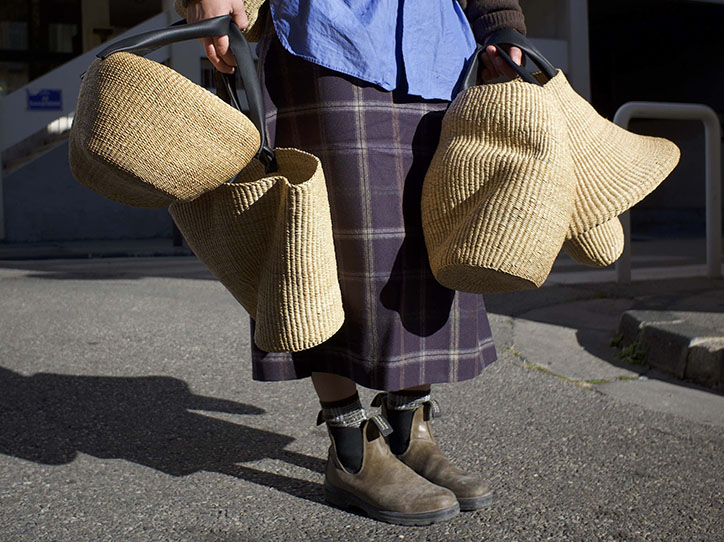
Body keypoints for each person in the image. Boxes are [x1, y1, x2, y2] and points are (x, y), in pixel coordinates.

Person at [183, 0, 526, 525]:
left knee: (423, 242)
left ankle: (409, 432)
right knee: (321, 240)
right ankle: (350, 446)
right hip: (322, 35)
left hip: (436, 45)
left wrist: (500, 19)